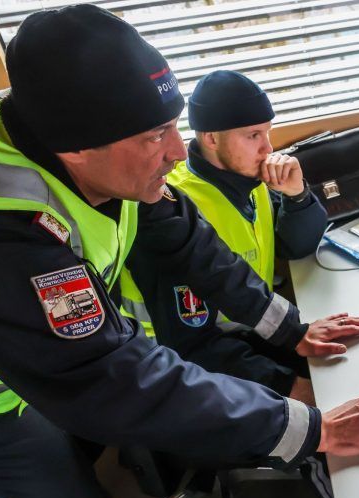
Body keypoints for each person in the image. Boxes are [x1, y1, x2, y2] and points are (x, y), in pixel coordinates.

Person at [0, 5, 359, 498]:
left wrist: (292, 330)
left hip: (66, 366)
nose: (176, 151)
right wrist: (313, 430)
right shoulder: (6, 238)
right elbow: (112, 379)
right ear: (76, 147)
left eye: (173, 126)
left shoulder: (66, 130)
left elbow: (193, 246)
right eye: (155, 136)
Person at [121, 70, 339, 407]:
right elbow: (193, 344)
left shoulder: (248, 179)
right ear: (210, 138)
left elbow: (295, 247)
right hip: (179, 363)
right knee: (329, 392)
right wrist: (292, 389)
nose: (268, 148)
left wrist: (297, 196)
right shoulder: (169, 206)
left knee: (351, 360)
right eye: (253, 135)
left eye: (268, 132)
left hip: (250, 331)